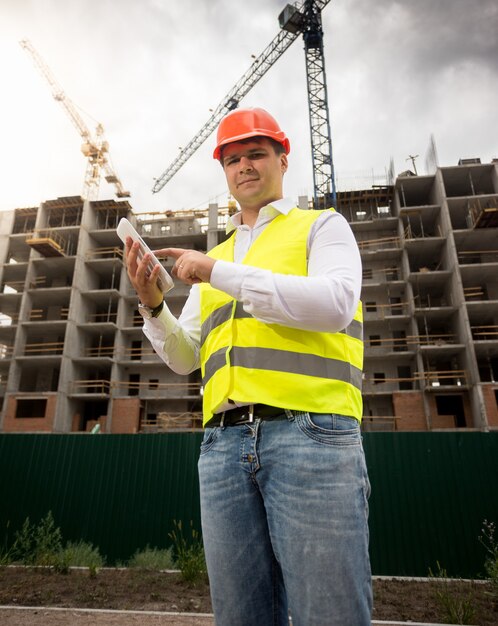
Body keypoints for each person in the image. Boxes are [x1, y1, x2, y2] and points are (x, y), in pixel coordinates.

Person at [125, 107, 372, 626]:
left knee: (328, 614)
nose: (244, 166)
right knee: (240, 617)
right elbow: (185, 357)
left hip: (312, 436)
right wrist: (152, 304)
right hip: (222, 448)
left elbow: (334, 302)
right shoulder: (213, 257)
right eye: (232, 159)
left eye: (256, 154)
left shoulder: (322, 228)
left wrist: (219, 272)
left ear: (283, 159)